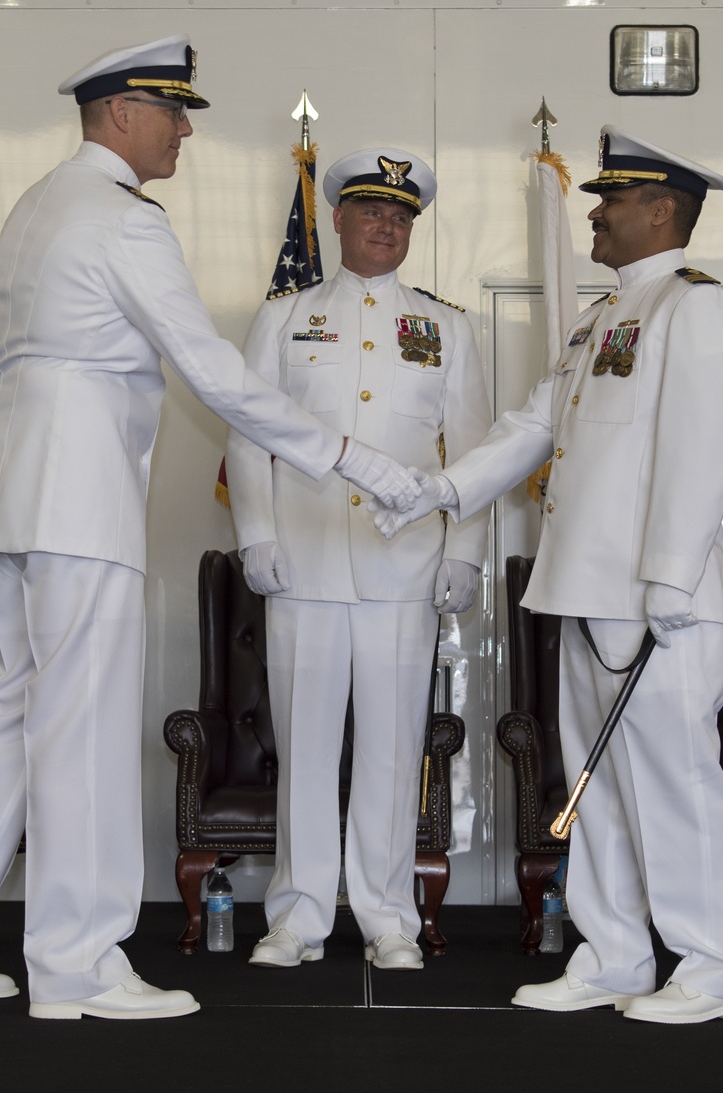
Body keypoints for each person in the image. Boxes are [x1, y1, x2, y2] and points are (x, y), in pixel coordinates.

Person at [0, 36, 421, 1021]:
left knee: (18, 711)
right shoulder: (124, 221)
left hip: (9, 495)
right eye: (173, 111)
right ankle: (77, 964)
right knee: (73, 722)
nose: (185, 129)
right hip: (76, 499)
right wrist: (353, 457)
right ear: (121, 112)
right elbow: (212, 370)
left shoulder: (38, 202)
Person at [372, 126, 723, 1022]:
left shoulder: (691, 307)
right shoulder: (602, 317)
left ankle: (715, 967)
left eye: (611, 199)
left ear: (661, 209)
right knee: (600, 782)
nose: (595, 211)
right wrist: (435, 488)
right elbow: (528, 429)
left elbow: (704, 450)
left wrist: (668, 576)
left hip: (655, 598)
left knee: (673, 780)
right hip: (588, 589)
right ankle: (616, 953)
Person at [226, 149, 492, 970]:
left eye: (403, 214)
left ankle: (389, 919)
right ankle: (298, 916)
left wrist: (468, 551)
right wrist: (257, 534)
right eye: (372, 210)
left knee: (391, 746)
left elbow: (477, 449)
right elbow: (247, 431)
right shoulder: (284, 315)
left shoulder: (447, 326)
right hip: (303, 560)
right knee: (304, 747)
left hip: (404, 567)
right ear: (335, 217)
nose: (388, 224)